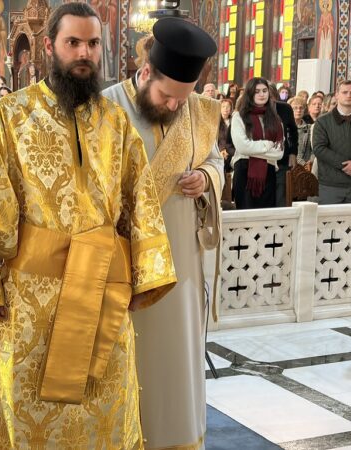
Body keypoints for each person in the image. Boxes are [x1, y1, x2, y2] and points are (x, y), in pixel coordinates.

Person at [0, 3, 176, 447]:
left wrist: (142, 277)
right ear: (49, 47)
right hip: (30, 299)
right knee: (27, 413)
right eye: (73, 42)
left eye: (93, 43)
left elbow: (140, 204)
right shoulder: (11, 115)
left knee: (103, 413)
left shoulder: (117, 123)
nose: (84, 52)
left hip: (102, 292)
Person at [103, 18, 222, 449]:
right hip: (122, 262)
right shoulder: (106, 108)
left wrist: (205, 178)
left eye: (182, 99)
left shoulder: (199, 111)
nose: (174, 106)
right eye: (166, 96)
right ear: (146, 72)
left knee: (178, 357)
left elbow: (214, 159)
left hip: (181, 262)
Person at [230, 77, 284, 209]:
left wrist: (252, 149)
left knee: (266, 217)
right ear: (250, 93)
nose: (262, 94)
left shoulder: (275, 119)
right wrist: (267, 145)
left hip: (269, 172)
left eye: (264, 91)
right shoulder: (239, 116)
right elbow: (242, 147)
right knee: (245, 216)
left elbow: (279, 153)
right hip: (244, 171)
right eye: (257, 91)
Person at [313, 80, 351, 204]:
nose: (349, 95)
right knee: (329, 217)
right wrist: (345, 165)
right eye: (344, 92)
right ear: (337, 95)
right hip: (331, 184)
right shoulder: (322, 121)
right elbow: (319, 148)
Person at [269, 83, 298, 207]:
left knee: (280, 199)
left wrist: (293, 152)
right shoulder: (252, 110)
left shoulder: (285, 109)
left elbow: (293, 131)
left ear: (275, 96)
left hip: (282, 160)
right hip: (261, 161)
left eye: (270, 96)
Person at [291, 96, 313, 167]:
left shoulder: (310, 128)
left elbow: (315, 148)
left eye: (301, 108)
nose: (298, 110)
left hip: (307, 167)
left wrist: (310, 161)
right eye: (295, 108)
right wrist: (303, 163)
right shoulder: (286, 128)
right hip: (290, 166)